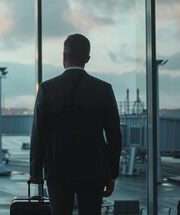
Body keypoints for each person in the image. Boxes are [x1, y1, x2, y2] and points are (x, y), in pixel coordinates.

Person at [29, 33, 122, 215]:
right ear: (87, 58)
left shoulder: (48, 89)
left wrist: (35, 171)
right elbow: (114, 134)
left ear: (64, 56)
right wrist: (112, 173)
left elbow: (38, 132)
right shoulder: (103, 89)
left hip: (57, 168)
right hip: (94, 168)